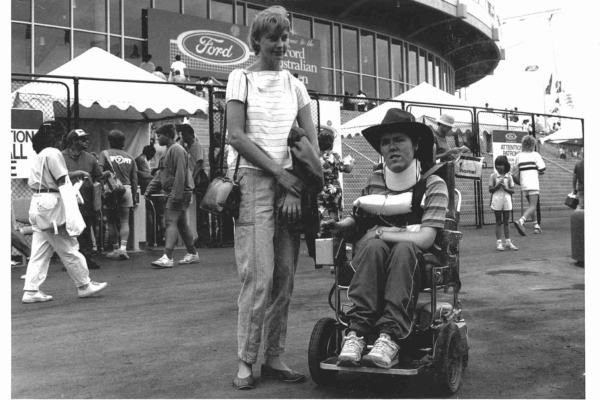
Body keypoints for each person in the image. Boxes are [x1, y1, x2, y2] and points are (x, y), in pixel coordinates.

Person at [226, 5, 318, 390]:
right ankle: (247, 360)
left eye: (284, 38)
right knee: (258, 276)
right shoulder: (240, 78)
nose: (280, 44)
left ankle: (275, 355)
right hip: (253, 183)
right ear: (257, 41)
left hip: (290, 186)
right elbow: (235, 135)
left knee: (284, 276)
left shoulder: (296, 85)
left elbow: (310, 143)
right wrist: (279, 174)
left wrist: (293, 182)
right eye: (273, 38)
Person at [320, 108, 447, 369]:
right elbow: (361, 217)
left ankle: (389, 336)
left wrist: (380, 232)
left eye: (399, 140)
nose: (392, 147)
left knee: (401, 248)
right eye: (386, 142)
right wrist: (341, 225)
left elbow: (424, 238)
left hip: (412, 258)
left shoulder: (434, 184)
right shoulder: (376, 179)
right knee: (376, 246)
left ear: (415, 144)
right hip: (373, 254)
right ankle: (356, 333)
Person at [22, 121, 107, 303]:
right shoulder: (53, 153)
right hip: (52, 204)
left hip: (37, 203)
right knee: (68, 246)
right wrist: (72, 209)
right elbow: (62, 182)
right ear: (57, 137)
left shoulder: (39, 155)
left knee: (40, 250)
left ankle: (31, 290)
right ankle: (84, 284)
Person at [145, 124, 199, 268]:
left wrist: (176, 194)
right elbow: (161, 174)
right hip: (176, 191)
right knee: (180, 223)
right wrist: (150, 188)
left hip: (178, 191)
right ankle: (192, 253)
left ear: (168, 136)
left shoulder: (176, 149)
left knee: (170, 221)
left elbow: (180, 173)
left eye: (159, 136)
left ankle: (167, 257)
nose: (157, 140)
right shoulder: (167, 151)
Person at [62, 128, 107, 269]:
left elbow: (98, 177)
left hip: (86, 200)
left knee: (85, 229)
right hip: (67, 199)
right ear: (74, 141)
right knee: (68, 230)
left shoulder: (90, 158)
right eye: (83, 139)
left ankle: (86, 258)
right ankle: (70, 260)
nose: (87, 141)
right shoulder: (61, 156)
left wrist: (100, 188)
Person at [305, 126, 352, 259]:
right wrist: (351, 162)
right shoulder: (335, 156)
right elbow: (346, 169)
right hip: (334, 189)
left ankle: (321, 255)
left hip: (320, 189)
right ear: (331, 144)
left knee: (319, 218)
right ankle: (337, 253)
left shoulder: (315, 156)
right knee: (335, 217)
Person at [99, 130, 138, 260]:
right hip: (126, 189)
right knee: (124, 220)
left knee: (111, 221)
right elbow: (134, 179)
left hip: (111, 189)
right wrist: (134, 194)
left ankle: (115, 249)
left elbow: (99, 174)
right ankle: (123, 248)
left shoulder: (104, 154)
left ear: (110, 141)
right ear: (123, 142)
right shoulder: (130, 157)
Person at [177, 123, 209, 247]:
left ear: (191, 134)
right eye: (182, 136)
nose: (184, 138)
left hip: (199, 179)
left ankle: (204, 237)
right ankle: (197, 236)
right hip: (191, 179)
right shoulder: (186, 148)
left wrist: (193, 181)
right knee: (195, 209)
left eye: (185, 135)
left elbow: (199, 165)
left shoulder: (197, 146)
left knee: (202, 210)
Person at [513, 135, 545, 236]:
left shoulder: (518, 156)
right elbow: (542, 168)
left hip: (523, 184)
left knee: (531, 206)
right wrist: (536, 170)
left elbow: (514, 170)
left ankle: (536, 226)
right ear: (533, 144)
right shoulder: (535, 155)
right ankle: (521, 221)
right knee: (533, 206)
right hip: (533, 183)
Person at [489, 156, 518, 251]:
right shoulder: (493, 176)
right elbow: (490, 190)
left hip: (507, 200)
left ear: (505, 165)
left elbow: (512, 191)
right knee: (498, 221)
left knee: (506, 222)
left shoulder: (509, 176)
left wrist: (506, 188)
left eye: (501, 164)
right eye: (497, 164)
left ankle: (508, 242)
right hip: (497, 200)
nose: (499, 167)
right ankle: (499, 242)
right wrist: (497, 186)